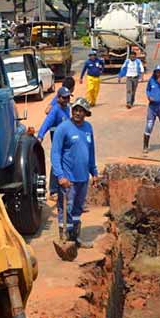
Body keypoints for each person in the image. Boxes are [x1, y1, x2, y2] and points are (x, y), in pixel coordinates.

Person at [51, 97, 98, 248]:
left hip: (83, 177)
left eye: (81, 111)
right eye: (75, 110)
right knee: (66, 208)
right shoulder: (63, 128)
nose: (77, 113)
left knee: (77, 209)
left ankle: (75, 239)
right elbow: (55, 154)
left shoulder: (88, 128)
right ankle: (65, 239)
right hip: (68, 179)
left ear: (86, 113)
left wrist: (94, 171)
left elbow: (91, 151)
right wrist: (60, 176)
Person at [38, 86, 72, 198]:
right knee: (57, 160)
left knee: (66, 159)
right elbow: (46, 123)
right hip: (57, 137)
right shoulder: (56, 110)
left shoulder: (67, 108)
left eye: (68, 98)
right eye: (64, 98)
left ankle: (63, 186)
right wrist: (40, 136)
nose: (67, 100)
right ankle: (53, 190)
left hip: (66, 138)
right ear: (58, 98)